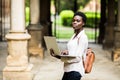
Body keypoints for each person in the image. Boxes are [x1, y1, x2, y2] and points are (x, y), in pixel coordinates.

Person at [50, 11, 90, 80]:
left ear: (83, 23)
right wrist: (67, 52)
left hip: (75, 71)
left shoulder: (83, 37)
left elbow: (78, 57)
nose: (75, 22)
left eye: (78, 21)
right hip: (68, 69)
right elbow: (73, 51)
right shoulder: (74, 35)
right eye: (73, 20)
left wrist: (61, 57)